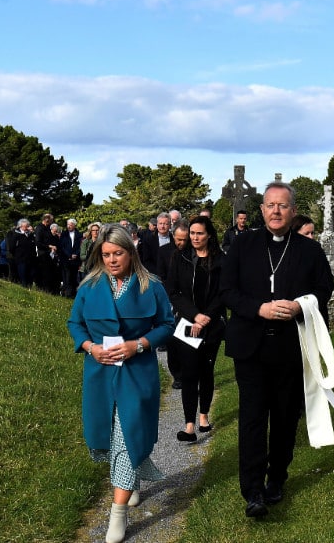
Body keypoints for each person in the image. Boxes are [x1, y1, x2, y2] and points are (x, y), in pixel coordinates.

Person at [221, 182, 334, 518]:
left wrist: (300, 306)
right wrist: (260, 309)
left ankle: (277, 478)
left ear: (293, 211)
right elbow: (227, 291)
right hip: (251, 347)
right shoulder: (243, 244)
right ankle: (253, 490)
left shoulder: (310, 250)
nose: (275, 211)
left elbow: (324, 288)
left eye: (282, 206)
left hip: (291, 347)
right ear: (262, 210)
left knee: (286, 418)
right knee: (253, 418)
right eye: (270, 205)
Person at [65, 224, 175, 543]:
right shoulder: (89, 286)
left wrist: (138, 344)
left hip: (137, 372)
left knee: (128, 433)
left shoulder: (150, 285)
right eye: (106, 254)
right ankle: (134, 480)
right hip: (100, 373)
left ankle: (118, 512)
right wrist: (90, 348)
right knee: (112, 434)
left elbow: (166, 324)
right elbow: (76, 323)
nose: (112, 260)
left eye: (118, 253)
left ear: (131, 252)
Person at [166, 216, 226, 442]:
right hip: (187, 324)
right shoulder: (179, 257)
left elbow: (224, 292)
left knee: (206, 371)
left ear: (209, 234)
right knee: (189, 373)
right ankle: (189, 425)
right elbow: (173, 291)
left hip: (212, 325)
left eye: (199, 233)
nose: (195, 237)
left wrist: (206, 317)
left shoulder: (221, 260)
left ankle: (204, 416)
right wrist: (195, 316)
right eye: (192, 233)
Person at [158, 222, 188, 389]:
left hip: (188, 302)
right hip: (169, 299)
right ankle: (177, 375)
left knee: (187, 341)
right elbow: (160, 275)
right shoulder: (164, 251)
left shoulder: (192, 253)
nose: (181, 243)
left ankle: (188, 373)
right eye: (178, 239)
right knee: (172, 340)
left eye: (184, 240)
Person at [9, 219, 36, 288]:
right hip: (21, 259)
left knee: (31, 275)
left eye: (27, 226)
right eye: (25, 227)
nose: (27, 228)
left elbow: (33, 245)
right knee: (23, 274)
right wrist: (17, 255)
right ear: (21, 226)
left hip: (31, 259)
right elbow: (12, 247)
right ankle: (24, 287)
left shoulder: (30, 235)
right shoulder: (16, 235)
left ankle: (29, 288)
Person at [60, 218, 83, 298]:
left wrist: (75, 254)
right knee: (67, 277)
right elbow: (62, 247)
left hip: (75, 260)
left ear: (74, 225)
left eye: (70, 225)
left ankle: (73, 293)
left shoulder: (79, 234)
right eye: (67, 225)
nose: (68, 226)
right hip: (66, 259)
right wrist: (69, 255)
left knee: (74, 277)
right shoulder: (64, 234)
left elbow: (81, 246)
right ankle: (67, 294)